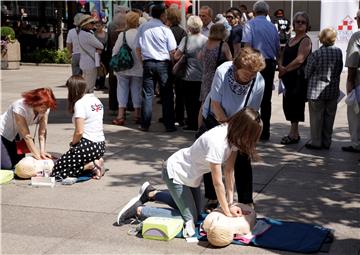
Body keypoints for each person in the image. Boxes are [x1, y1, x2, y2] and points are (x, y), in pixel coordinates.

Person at [117, 107, 263, 237]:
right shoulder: (217, 142)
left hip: (191, 178)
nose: (251, 142)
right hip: (176, 173)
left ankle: (151, 193)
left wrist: (231, 204)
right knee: (189, 219)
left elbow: (230, 171)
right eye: (251, 137)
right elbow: (218, 183)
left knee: (197, 214)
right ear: (243, 130)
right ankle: (139, 210)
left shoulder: (233, 137)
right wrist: (226, 210)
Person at [200, 47, 265, 210]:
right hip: (216, 117)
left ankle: (245, 200)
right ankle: (212, 197)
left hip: (240, 122)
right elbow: (215, 103)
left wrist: (238, 133)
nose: (250, 77)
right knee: (212, 158)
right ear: (236, 68)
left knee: (242, 159)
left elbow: (251, 111)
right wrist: (225, 126)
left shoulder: (259, 81)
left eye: (253, 74)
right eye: (246, 73)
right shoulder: (222, 71)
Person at [51, 76, 106, 180]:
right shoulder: (96, 100)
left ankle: (92, 165)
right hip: (100, 145)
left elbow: (79, 132)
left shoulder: (80, 103)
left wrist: (73, 144)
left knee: (57, 171)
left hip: (87, 145)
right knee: (70, 162)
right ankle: (95, 162)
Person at [135, 4, 177, 132]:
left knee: (147, 94)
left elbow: (137, 47)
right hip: (163, 64)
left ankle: (145, 124)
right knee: (167, 94)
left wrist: (143, 62)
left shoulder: (142, 27)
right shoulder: (165, 29)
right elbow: (172, 50)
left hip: (148, 62)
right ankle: (169, 124)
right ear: (162, 15)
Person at [242, 0, 280, 141]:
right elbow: (277, 48)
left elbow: (247, 47)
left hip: (254, 63)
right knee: (266, 100)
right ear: (267, 12)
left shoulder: (249, 25)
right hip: (269, 64)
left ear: (254, 11)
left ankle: (251, 130)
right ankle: (265, 132)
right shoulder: (272, 27)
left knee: (250, 97)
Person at [304, 28, 343, 150]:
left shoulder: (316, 54)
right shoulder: (338, 52)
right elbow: (339, 69)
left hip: (316, 91)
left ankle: (316, 142)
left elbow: (307, 72)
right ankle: (327, 142)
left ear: (321, 39)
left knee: (316, 117)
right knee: (329, 117)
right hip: (332, 90)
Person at [0, 88, 56, 169]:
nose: (46, 109)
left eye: (47, 107)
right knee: (6, 166)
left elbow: (42, 132)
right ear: (35, 103)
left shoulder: (45, 108)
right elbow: (27, 136)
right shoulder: (19, 106)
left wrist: (42, 151)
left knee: (18, 165)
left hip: (17, 136)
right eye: (43, 107)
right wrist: (38, 158)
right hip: (3, 132)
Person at [278, 12, 312, 145]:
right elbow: (282, 54)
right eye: (297, 21)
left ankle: (294, 134)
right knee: (288, 104)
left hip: (298, 78)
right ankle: (293, 132)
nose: (300, 24)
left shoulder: (306, 40)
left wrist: (285, 69)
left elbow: (300, 59)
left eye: (303, 22)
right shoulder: (290, 39)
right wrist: (280, 66)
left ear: (307, 25)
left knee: (295, 105)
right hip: (287, 77)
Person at [174, 15, 207, 131]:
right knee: (200, 101)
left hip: (188, 75)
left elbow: (176, 55)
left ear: (189, 26)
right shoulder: (205, 40)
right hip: (202, 75)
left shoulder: (186, 39)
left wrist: (185, 56)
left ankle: (191, 123)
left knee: (188, 101)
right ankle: (199, 123)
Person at [198, 23, 232, 128]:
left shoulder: (206, 43)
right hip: (218, 77)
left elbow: (199, 56)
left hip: (206, 76)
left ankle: (200, 128)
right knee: (217, 103)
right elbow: (231, 61)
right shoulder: (223, 45)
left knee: (204, 104)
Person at [112, 11, 143, 126]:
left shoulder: (123, 35)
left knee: (122, 89)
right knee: (137, 90)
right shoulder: (141, 34)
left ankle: (120, 115)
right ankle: (137, 114)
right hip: (138, 66)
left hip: (124, 67)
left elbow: (115, 51)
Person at [342, 9, 360, 153]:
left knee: (355, 115)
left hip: (359, 83)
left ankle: (357, 144)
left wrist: (350, 85)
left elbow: (353, 64)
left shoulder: (357, 36)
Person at [166, 7, 187, 127]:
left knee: (168, 92)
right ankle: (179, 116)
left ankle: (168, 116)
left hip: (168, 64)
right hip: (179, 66)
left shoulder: (166, 31)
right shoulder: (182, 32)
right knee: (179, 93)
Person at [107, 6, 129, 115]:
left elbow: (108, 44)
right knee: (125, 84)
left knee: (113, 83)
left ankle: (113, 106)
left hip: (113, 57)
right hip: (125, 58)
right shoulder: (126, 28)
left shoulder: (110, 25)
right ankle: (124, 107)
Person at [78, 14, 104, 93]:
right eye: (92, 23)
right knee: (90, 87)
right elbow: (101, 46)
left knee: (85, 85)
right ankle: (88, 103)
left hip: (83, 62)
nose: (94, 24)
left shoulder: (80, 33)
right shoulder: (88, 35)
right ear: (86, 25)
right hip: (90, 63)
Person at [94, 20, 109, 91]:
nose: (97, 27)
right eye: (96, 26)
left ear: (103, 26)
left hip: (105, 54)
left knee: (105, 69)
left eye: (99, 25)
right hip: (97, 54)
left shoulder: (106, 34)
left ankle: (102, 84)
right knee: (98, 69)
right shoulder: (94, 35)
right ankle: (97, 84)